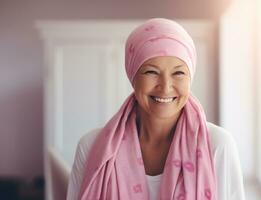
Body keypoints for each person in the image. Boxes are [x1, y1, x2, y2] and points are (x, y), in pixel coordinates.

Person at [66, 18, 245, 200]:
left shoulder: (217, 145)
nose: (165, 87)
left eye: (178, 73)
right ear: (132, 76)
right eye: (151, 72)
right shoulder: (91, 148)